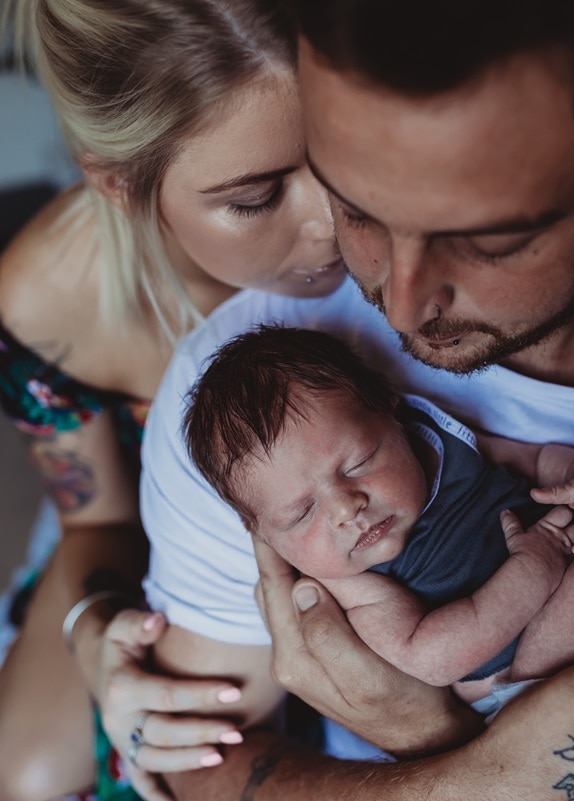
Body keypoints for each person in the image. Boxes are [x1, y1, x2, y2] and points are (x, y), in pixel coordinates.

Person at [139, 2, 574, 800]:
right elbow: (196, 762)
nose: (399, 309)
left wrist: (434, 738)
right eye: (355, 207)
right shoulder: (262, 404)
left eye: (489, 239)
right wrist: (470, 778)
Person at [0, 1, 348, 800]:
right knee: (31, 776)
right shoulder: (43, 304)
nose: (330, 224)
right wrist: (93, 636)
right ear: (120, 184)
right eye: (256, 197)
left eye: (336, 163)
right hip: (140, 531)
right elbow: (94, 515)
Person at [184, 324, 574, 714]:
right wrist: (533, 570)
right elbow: (431, 659)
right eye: (302, 512)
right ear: (261, 535)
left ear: (392, 412)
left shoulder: (439, 442)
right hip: (514, 682)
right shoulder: (348, 584)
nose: (347, 509)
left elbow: (538, 459)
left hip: (571, 562)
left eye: (359, 463)